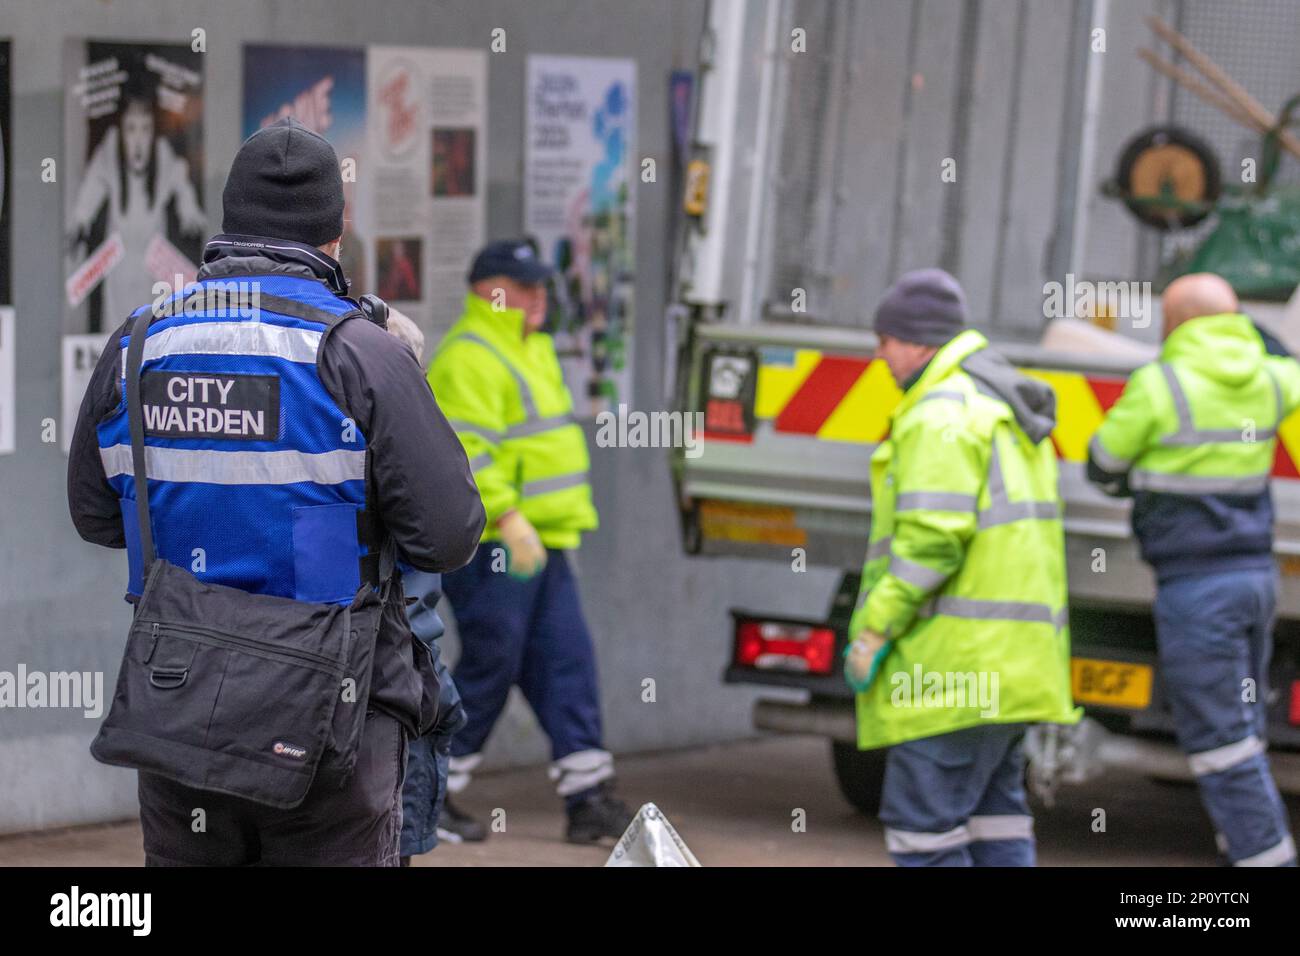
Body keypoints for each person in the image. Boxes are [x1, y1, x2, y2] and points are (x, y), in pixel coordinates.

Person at [67, 117, 485, 866]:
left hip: (176, 710)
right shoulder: (363, 353)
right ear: (335, 235)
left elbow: (97, 516)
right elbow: (448, 535)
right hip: (330, 722)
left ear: (227, 225)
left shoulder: (138, 341)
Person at [845, 268, 1078, 866]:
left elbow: (931, 544)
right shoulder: (1000, 404)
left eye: (887, 340)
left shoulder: (938, 415)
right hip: (1013, 667)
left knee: (921, 831)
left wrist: (874, 629)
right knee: (995, 818)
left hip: (953, 672)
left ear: (920, 341)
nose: (880, 355)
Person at [1087, 272, 1299, 867]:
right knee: (1243, 728)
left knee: (1219, 743)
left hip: (1195, 589)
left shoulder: (1160, 385)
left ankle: (1266, 861)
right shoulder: (1270, 378)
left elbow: (1103, 462)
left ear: (1173, 323)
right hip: (1257, 582)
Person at [426, 239, 633, 844]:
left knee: (567, 660)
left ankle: (588, 796)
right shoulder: (468, 357)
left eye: (542, 287)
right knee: (495, 662)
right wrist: (509, 519)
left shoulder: (530, 347)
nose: (540, 299)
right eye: (525, 288)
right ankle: (427, 791)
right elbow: (465, 453)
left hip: (541, 541)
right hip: (495, 543)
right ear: (489, 289)